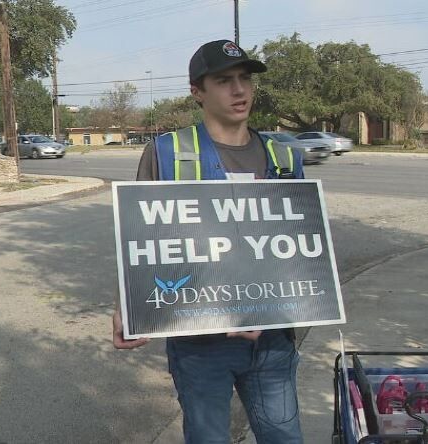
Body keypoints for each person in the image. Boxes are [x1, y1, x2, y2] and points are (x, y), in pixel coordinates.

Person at [112, 39, 304, 444]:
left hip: (271, 341)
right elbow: (142, 241)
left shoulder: (285, 156)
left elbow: (300, 246)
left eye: (245, 79)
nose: (240, 90)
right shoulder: (167, 153)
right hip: (198, 344)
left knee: (284, 437)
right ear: (197, 91)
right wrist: (127, 305)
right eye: (223, 81)